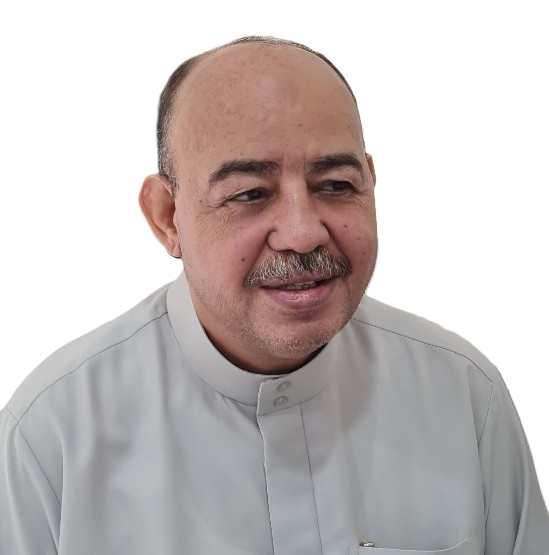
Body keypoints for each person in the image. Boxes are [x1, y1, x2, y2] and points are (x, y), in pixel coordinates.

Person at [1, 36, 548, 555]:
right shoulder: (49, 439)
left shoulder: (463, 396)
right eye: (249, 194)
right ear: (167, 217)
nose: (303, 233)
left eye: (335, 185)